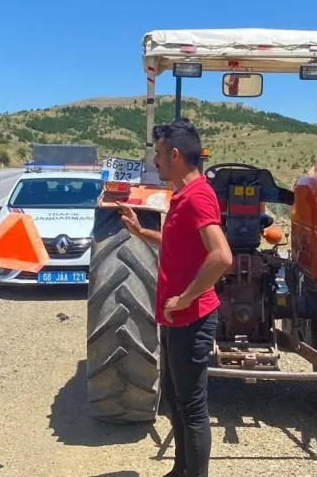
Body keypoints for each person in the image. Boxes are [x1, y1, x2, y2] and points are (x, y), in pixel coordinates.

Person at [118, 118, 232, 477]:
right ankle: (179, 471)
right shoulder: (183, 195)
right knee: (179, 401)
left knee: (193, 407)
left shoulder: (198, 197)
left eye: (160, 154)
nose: (156, 161)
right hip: (176, 318)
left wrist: (185, 298)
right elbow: (181, 248)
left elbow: (221, 256)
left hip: (192, 318)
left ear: (177, 155)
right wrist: (141, 232)